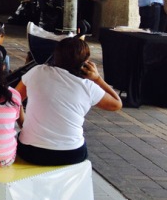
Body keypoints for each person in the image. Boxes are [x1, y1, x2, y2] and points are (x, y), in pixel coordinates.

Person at [15, 36, 122, 166]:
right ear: (85, 63)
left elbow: (14, 99)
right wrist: (98, 79)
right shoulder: (88, 86)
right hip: (70, 153)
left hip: (30, 152)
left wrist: (24, 125)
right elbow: (117, 103)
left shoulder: (37, 72)